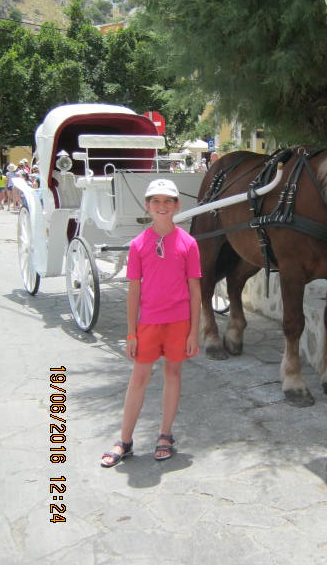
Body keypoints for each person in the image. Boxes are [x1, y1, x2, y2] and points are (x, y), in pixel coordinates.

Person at [101, 178, 201, 467]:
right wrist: (131, 333)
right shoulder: (138, 244)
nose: (161, 206)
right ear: (148, 206)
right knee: (139, 378)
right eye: (155, 201)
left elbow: (195, 290)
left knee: (173, 375)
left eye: (167, 201)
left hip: (179, 322)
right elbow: (133, 291)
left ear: (176, 206)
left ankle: (165, 435)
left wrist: (194, 331)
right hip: (148, 324)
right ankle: (125, 441)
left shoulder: (188, 243)